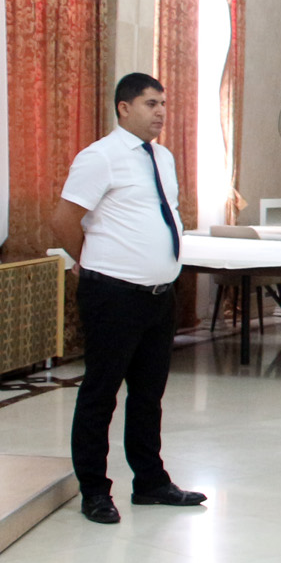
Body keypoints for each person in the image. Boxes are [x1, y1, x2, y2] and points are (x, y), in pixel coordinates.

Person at [53, 73, 207, 525]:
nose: (160, 112)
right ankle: (94, 491)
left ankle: (150, 482)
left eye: (163, 104)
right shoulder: (100, 157)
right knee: (101, 393)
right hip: (113, 294)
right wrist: (89, 261)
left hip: (159, 296)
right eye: (150, 103)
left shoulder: (162, 157)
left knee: (148, 394)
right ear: (124, 108)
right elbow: (63, 220)